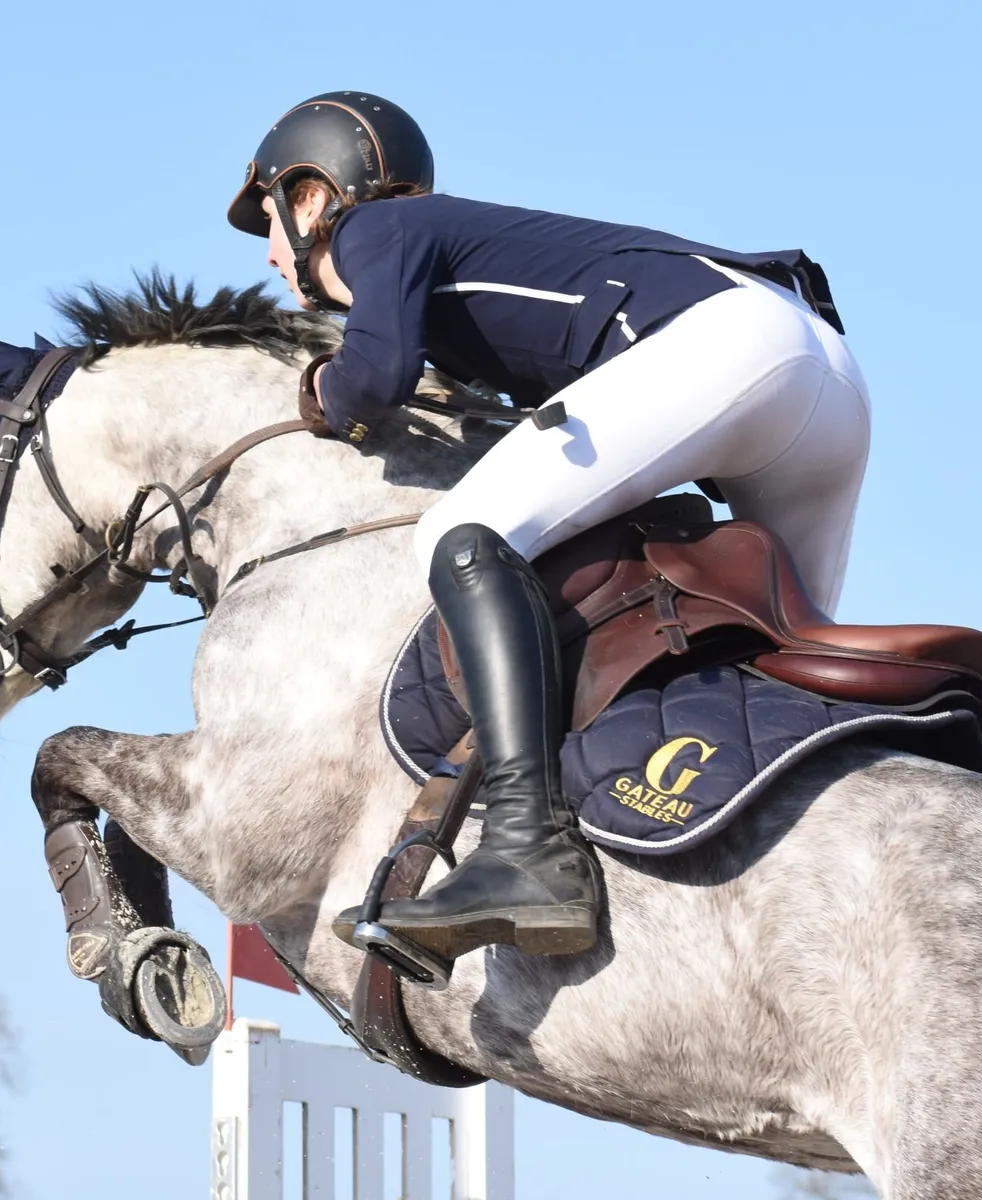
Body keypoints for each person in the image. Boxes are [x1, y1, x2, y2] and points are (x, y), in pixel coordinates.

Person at [228, 91, 871, 962]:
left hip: (731, 346)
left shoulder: (374, 230)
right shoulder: (452, 248)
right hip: (827, 378)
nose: (272, 254)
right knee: (790, 656)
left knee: (459, 531)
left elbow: (375, 377)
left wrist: (319, 392)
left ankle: (527, 850)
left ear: (311, 198)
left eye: (269, 220)